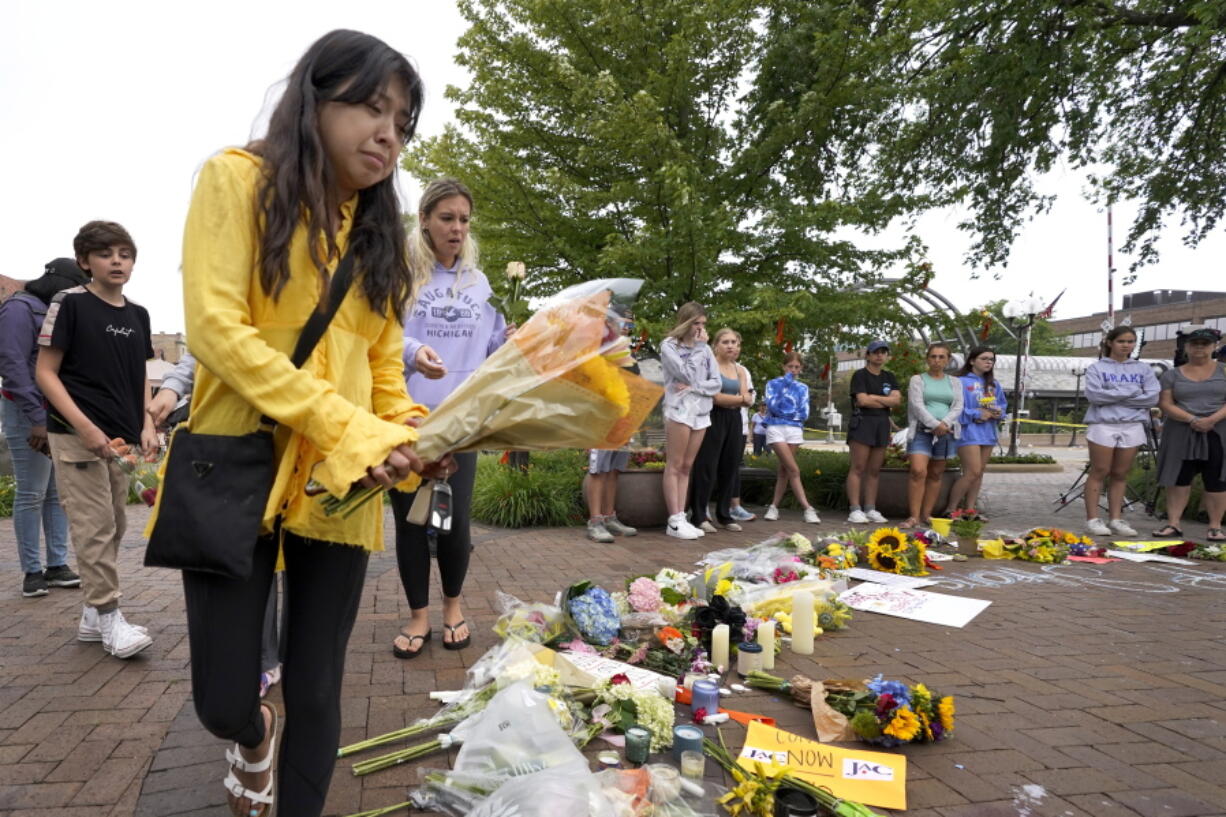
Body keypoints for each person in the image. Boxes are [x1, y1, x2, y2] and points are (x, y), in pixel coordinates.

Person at [163, 31, 448, 817]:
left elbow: (386, 372)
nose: (389, 132)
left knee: (318, 684)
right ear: (314, 100)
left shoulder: (384, 237)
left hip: (340, 489)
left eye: (403, 120)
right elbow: (216, 330)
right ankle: (252, 736)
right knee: (223, 696)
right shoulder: (237, 180)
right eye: (370, 106)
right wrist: (351, 426)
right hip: (235, 467)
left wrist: (414, 437)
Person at [391, 177, 512, 659]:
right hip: (408, 417)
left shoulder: (479, 284)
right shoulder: (402, 276)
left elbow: (492, 349)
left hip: (462, 420)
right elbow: (381, 336)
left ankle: (453, 608)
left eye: (463, 219)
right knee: (410, 522)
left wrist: (513, 342)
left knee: (453, 520)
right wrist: (414, 350)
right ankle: (418, 614)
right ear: (424, 219)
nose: (457, 228)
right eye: (446, 218)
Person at [35, 223, 155, 661]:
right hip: (75, 437)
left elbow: (142, 374)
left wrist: (147, 423)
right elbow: (44, 372)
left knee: (117, 526)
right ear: (85, 260)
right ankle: (109, 618)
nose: (117, 261)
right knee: (94, 528)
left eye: (125, 253)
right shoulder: (70, 303)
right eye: (106, 254)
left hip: (121, 441)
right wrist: (83, 426)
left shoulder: (138, 314)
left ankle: (91, 615)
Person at [147, 350, 285, 698]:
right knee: (240, 549)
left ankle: (267, 661)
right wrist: (172, 388)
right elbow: (205, 343)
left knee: (270, 559)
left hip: (289, 440)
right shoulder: (222, 301)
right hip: (223, 439)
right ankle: (252, 662)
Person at [0, 259, 86, 598]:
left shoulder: (47, 310)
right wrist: (37, 417)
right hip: (28, 412)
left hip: (54, 411)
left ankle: (57, 566)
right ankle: (32, 572)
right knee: (32, 492)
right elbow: (12, 364)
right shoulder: (19, 310)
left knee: (56, 492)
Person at [1081, 327, 1160, 536]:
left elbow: (1152, 398)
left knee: (1120, 473)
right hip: (1103, 424)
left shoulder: (1143, 369)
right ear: (1110, 342)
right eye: (1121, 341)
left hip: (1132, 425)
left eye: (1131, 341)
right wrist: (1133, 394)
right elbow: (1096, 397)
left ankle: (1116, 519)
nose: (1126, 345)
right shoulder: (1096, 368)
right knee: (1100, 470)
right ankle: (1093, 519)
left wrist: (1114, 394)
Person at [1153, 325, 1226, 540]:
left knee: (1217, 478)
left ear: (1214, 347)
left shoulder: (1224, 371)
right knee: (1178, 477)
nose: (1199, 348)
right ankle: (1173, 523)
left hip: (1219, 430)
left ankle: (1215, 526)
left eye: (1205, 344)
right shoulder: (1171, 374)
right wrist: (1192, 419)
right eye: (1195, 344)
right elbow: (1165, 403)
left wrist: (1212, 419)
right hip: (1181, 430)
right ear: (1186, 347)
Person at [660, 302, 720, 539]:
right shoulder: (669, 346)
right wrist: (698, 348)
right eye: (696, 323)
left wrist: (695, 387)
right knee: (675, 464)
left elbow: (715, 382)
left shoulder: (705, 349)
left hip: (701, 412)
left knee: (687, 466)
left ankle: (681, 517)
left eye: (703, 324)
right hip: (679, 409)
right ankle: (673, 519)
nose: (700, 329)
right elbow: (683, 373)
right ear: (686, 322)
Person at [689, 328, 753, 533]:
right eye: (725, 342)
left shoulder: (740, 370)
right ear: (715, 345)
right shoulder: (710, 366)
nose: (730, 345)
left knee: (730, 466)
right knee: (707, 466)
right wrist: (740, 399)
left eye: (734, 342)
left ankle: (725, 515)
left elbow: (748, 399)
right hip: (712, 417)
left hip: (734, 420)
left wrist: (739, 400)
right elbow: (716, 398)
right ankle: (699, 515)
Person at [584, 308, 638, 543]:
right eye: (622, 323)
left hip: (623, 418)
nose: (626, 328)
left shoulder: (627, 353)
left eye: (630, 325)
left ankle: (608, 516)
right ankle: (595, 521)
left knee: (614, 469)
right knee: (598, 469)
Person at [902, 343, 963, 528]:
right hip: (922, 431)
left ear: (948, 360)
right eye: (933, 356)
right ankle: (914, 517)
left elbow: (958, 406)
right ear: (927, 359)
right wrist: (935, 424)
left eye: (941, 357)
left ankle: (927, 514)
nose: (937, 361)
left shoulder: (954, 382)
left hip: (946, 432)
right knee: (918, 471)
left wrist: (945, 424)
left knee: (936, 474)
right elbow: (916, 405)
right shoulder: (917, 380)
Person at [946, 346, 1006, 514]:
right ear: (972, 361)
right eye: (984, 358)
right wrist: (975, 414)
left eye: (992, 360)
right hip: (968, 432)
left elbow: (1002, 405)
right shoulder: (960, 382)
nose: (989, 362)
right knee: (972, 471)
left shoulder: (994, 384)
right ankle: (951, 509)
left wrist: (998, 412)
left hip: (988, 433)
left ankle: (970, 510)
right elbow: (954, 409)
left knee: (979, 473)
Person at [846, 340, 901, 523]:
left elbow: (896, 401)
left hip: (882, 423)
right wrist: (885, 399)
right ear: (868, 355)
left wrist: (874, 398)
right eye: (876, 352)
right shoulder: (860, 376)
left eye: (883, 352)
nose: (880, 355)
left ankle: (870, 508)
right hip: (863, 422)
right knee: (858, 467)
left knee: (875, 469)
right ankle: (855, 508)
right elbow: (862, 401)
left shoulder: (890, 376)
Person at [762, 352, 820, 523]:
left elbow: (804, 412)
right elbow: (772, 405)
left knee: (784, 470)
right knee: (794, 470)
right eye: (790, 367)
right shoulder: (773, 384)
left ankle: (773, 507)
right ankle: (807, 508)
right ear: (784, 366)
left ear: (801, 368)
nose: (793, 370)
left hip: (794, 429)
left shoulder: (803, 388)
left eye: (796, 367)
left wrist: (788, 413)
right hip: (776, 427)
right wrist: (784, 387)